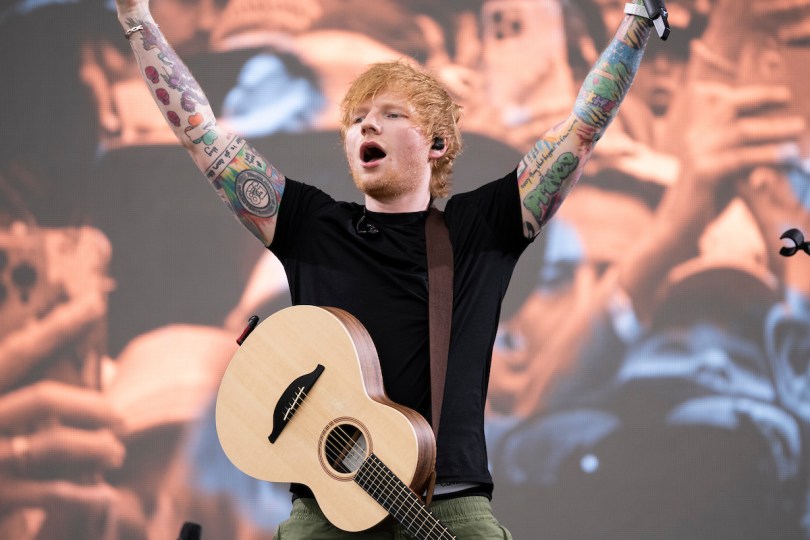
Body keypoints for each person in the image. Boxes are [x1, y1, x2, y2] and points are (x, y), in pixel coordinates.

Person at [111, 0, 660, 536]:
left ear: (437, 144)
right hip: (327, 511)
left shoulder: (480, 227)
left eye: (391, 115)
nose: (367, 126)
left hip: (447, 508)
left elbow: (582, 130)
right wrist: (138, 23)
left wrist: (636, 24)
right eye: (355, 121)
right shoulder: (311, 225)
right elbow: (203, 137)